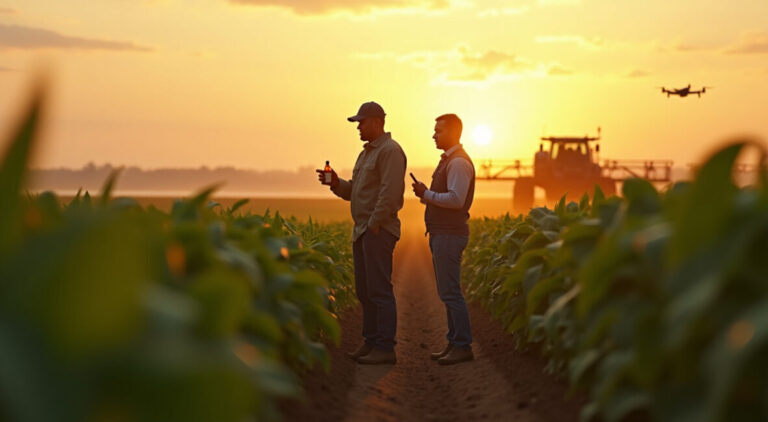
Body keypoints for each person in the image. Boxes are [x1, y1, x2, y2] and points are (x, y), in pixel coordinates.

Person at [316, 101, 407, 365]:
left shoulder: (390, 151)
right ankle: (371, 342)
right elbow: (356, 190)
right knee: (365, 292)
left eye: (361, 122)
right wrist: (336, 183)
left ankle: (385, 348)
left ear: (377, 122)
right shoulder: (366, 153)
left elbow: (390, 193)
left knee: (379, 291)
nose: (358, 128)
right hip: (362, 231)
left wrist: (374, 224)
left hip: (377, 230)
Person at [412, 113, 475, 365]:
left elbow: (456, 200)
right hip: (443, 233)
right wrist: (426, 194)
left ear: (453, 133)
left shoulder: (458, 162)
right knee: (447, 292)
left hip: (449, 234)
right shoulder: (450, 160)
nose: (434, 135)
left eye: (439, 131)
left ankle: (462, 345)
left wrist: (426, 194)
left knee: (451, 293)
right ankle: (454, 342)